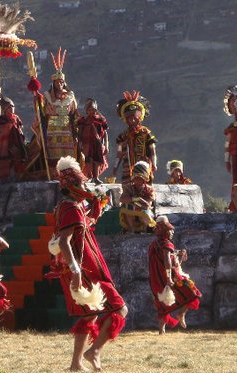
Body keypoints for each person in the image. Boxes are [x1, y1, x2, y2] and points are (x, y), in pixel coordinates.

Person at [49, 156, 127, 372]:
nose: (86, 186)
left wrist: (95, 200)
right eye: (82, 183)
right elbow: (64, 241)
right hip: (83, 269)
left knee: (90, 314)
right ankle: (94, 352)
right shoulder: (71, 208)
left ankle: (75, 364)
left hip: (85, 267)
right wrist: (75, 272)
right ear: (73, 186)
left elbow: (88, 218)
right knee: (120, 309)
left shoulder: (71, 206)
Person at [148, 216, 201, 334]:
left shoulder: (154, 244)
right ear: (165, 231)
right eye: (170, 230)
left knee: (162, 304)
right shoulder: (166, 244)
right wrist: (168, 278)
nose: (172, 232)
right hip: (169, 278)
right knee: (192, 292)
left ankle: (162, 329)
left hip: (156, 280)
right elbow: (167, 262)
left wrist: (179, 257)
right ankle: (181, 314)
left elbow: (171, 263)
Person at [39, 48, 79, 165]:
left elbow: (74, 112)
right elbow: (43, 111)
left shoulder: (70, 96)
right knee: (53, 152)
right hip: (53, 127)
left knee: (68, 152)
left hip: (66, 127)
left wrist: (76, 127)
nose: (60, 84)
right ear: (54, 83)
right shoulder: (47, 96)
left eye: (61, 82)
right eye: (57, 82)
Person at [113, 90, 156, 185]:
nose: (132, 120)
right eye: (129, 117)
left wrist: (154, 163)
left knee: (145, 187)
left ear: (140, 117)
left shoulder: (146, 133)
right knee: (127, 188)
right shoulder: (122, 136)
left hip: (144, 166)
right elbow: (119, 153)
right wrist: (115, 166)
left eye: (134, 117)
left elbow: (152, 150)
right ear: (125, 118)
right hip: (127, 168)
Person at [0, 97, 27, 183]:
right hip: (5, 147)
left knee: (17, 167)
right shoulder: (1, 120)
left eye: (12, 107)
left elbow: (20, 131)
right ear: (5, 109)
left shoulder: (16, 118)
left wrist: (23, 142)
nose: (11, 109)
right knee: (6, 168)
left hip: (17, 146)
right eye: (9, 107)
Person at [76, 98, 108, 184]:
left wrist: (106, 145)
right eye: (89, 109)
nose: (91, 111)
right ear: (86, 111)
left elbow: (105, 134)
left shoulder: (100, 120)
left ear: (96, 110)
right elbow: (79, 133)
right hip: (87, 144)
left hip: (97, 143)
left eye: (93, 109)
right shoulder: (83, 121)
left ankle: (96, 177)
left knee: (97, 161)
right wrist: (79, 143)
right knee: (88, 160)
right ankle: (89, 177)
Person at [119, 161, 156, 233]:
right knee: (127, 211)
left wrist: (141, 203)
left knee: (145, 215)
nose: (138, 180)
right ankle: (131, 230)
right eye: (136, 178)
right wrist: (135, 199)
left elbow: (148, 203)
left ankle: (145, 230)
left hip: (144, 210)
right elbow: (122, 199)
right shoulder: (128, 187)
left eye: (140, 178)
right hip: (132, 209)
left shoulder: (149, 189)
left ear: (145, 179)